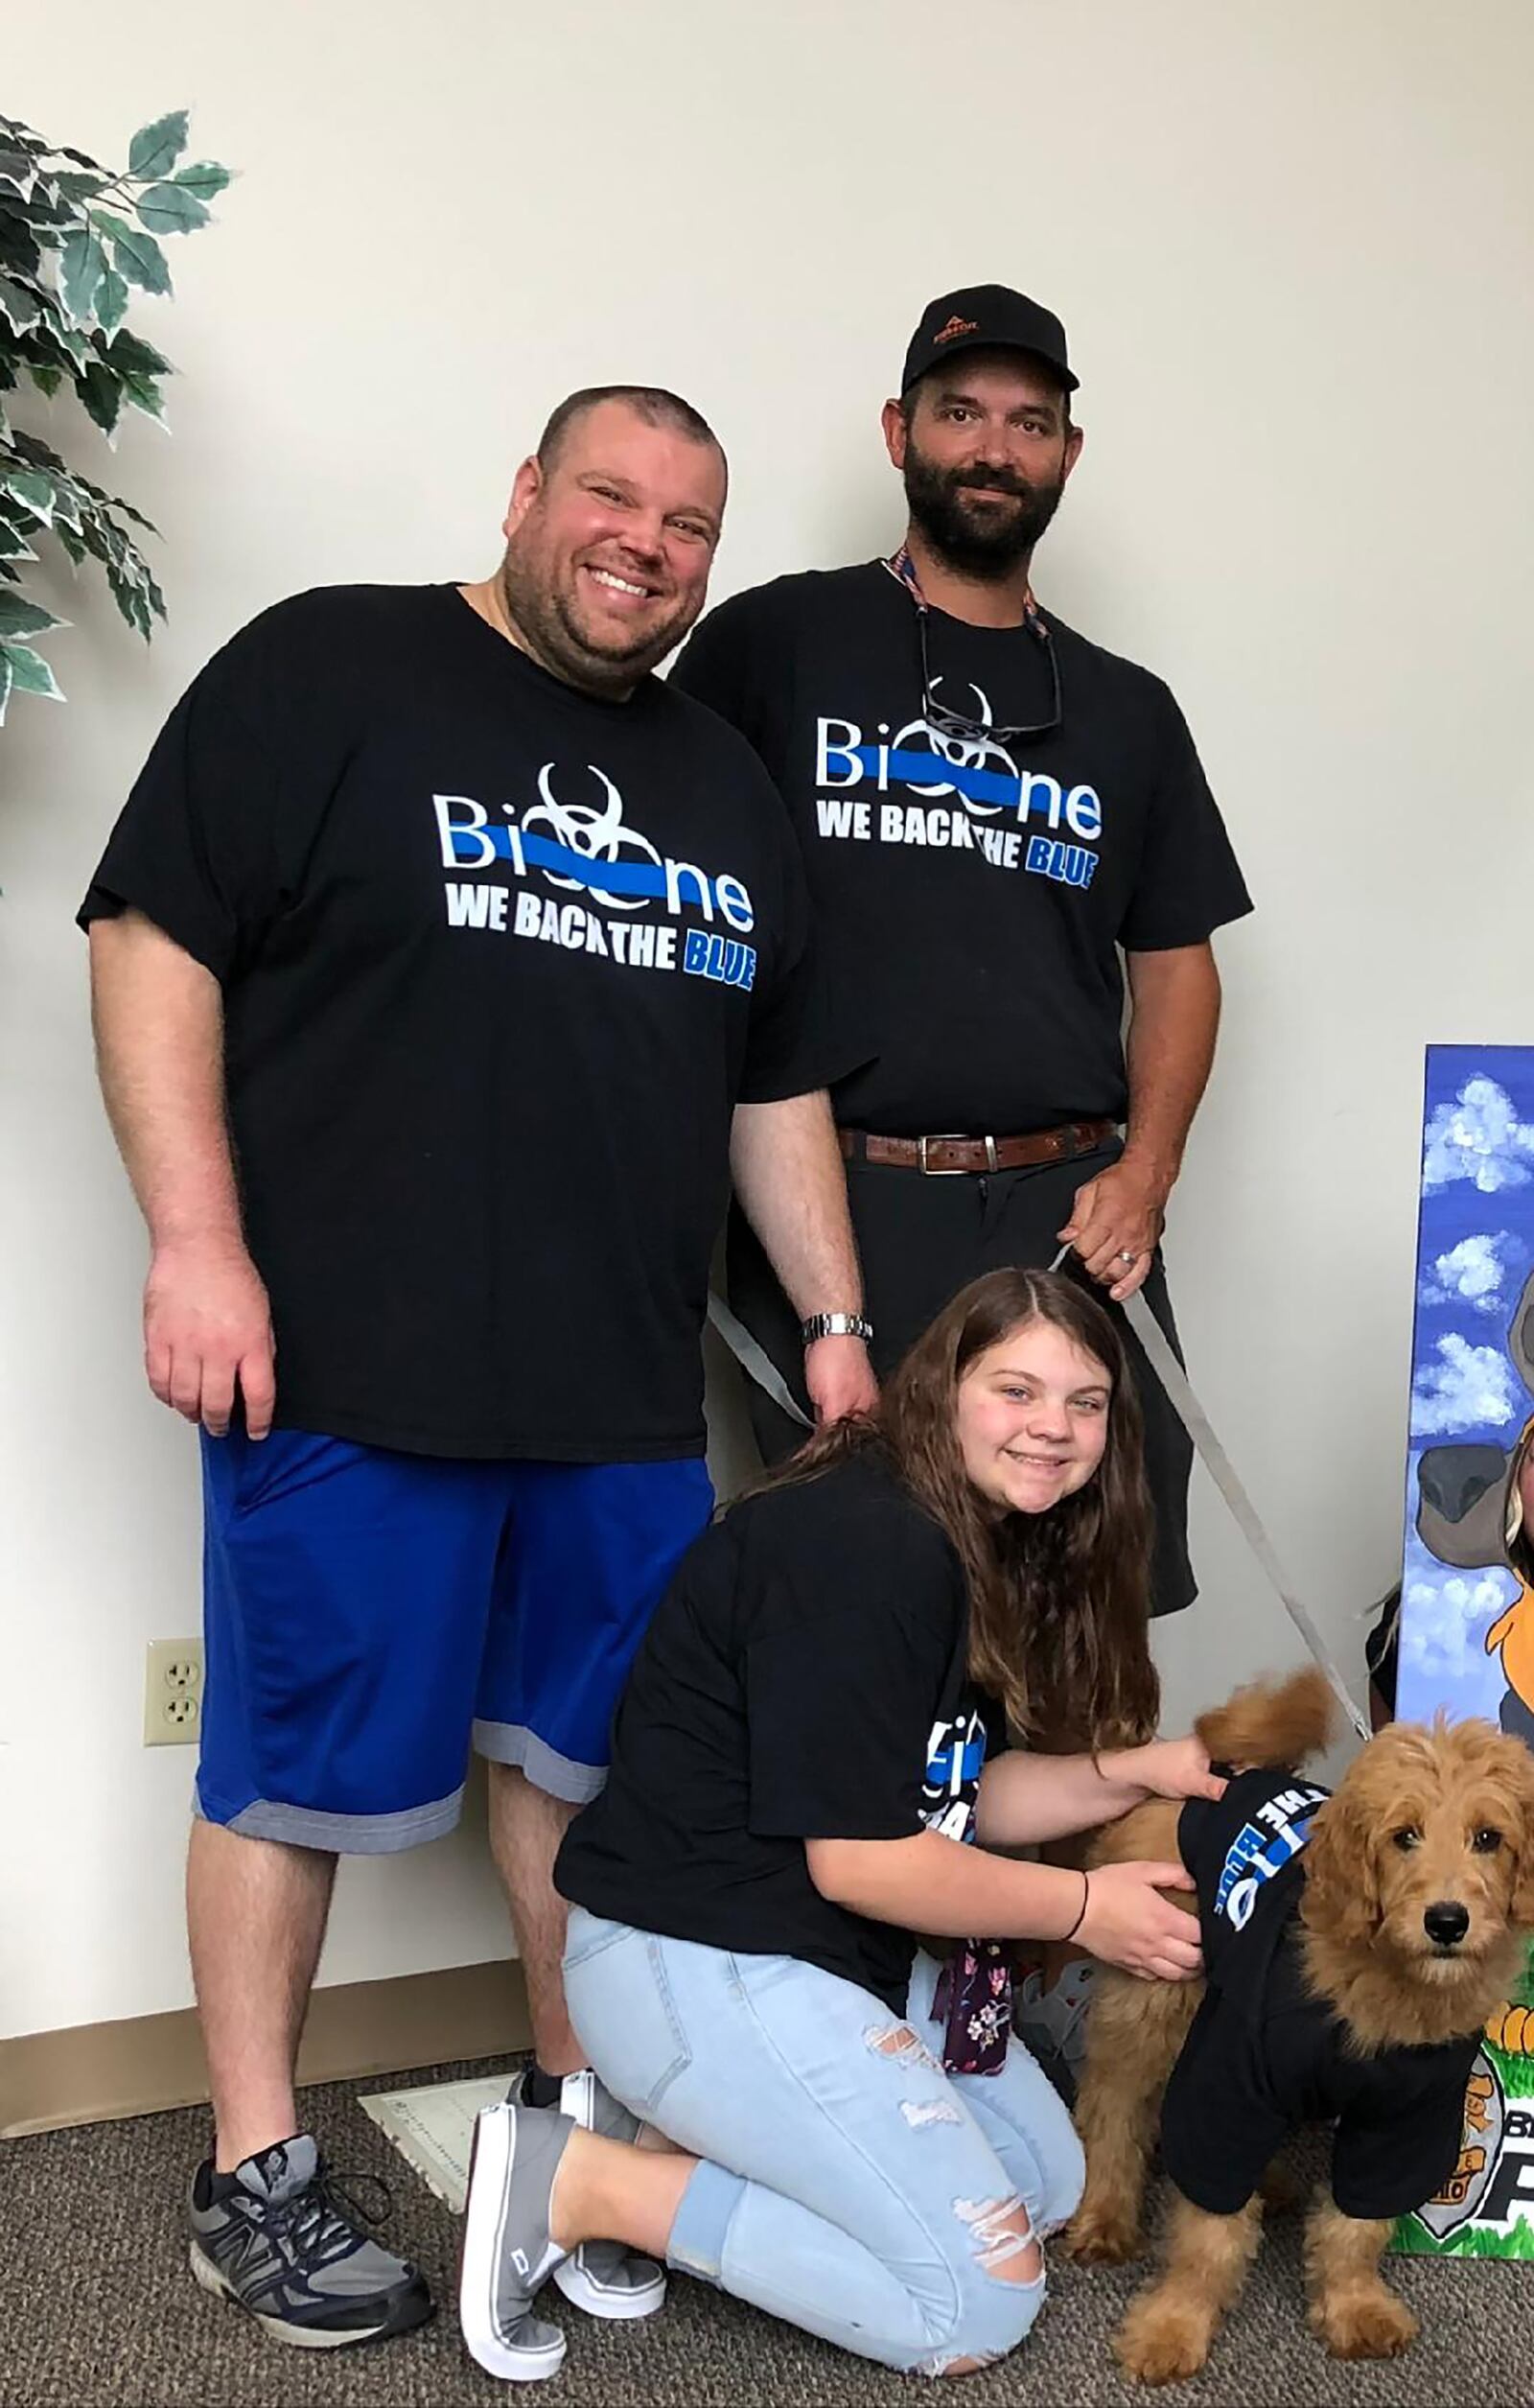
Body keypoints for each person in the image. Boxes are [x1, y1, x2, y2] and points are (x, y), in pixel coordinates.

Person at [80, 386, 877, 2350]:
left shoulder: (717, 784)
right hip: (345, 1369)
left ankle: (574, 2131)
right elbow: (148, 932)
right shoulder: (332, 665)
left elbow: (770, 1077)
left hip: (614, 1399)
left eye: (689, 522)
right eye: (608, 494)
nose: (645, 541)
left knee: (590, 1788)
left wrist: (838, 1326)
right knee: (290, 1776)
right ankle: (249, 2171)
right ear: (525, 493)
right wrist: (197, 1239)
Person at [671, 281, 1252, 2077]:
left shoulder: (1129, 711)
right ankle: (839, 2001)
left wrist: (1147, 1174)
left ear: (1065, 451)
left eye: (1027, 420)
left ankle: (1064, 1992)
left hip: (1069, 1207)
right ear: (900, 431)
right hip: (840, 1192)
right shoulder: (776, 648)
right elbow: (678, 879)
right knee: (870, 1607)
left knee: (1089, 1604)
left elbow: (1180, 964)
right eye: (962, 412)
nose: (992, 447)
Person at [456, 1267, 1223, 2381]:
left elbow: (945, 1794)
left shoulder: (962, 1526)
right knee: (971, 2307)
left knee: (1043, 2187)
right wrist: (1085, 1907)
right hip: (696, 1959)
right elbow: (867, 1860)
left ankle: (688, 2138)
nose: (1053, 1429)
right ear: (943, 1389)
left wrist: (1134, 1771)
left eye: (1086, 1402)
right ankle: (582, 2184)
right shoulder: (872, 1546)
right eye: (1016, 1390)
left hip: (810, 1950)